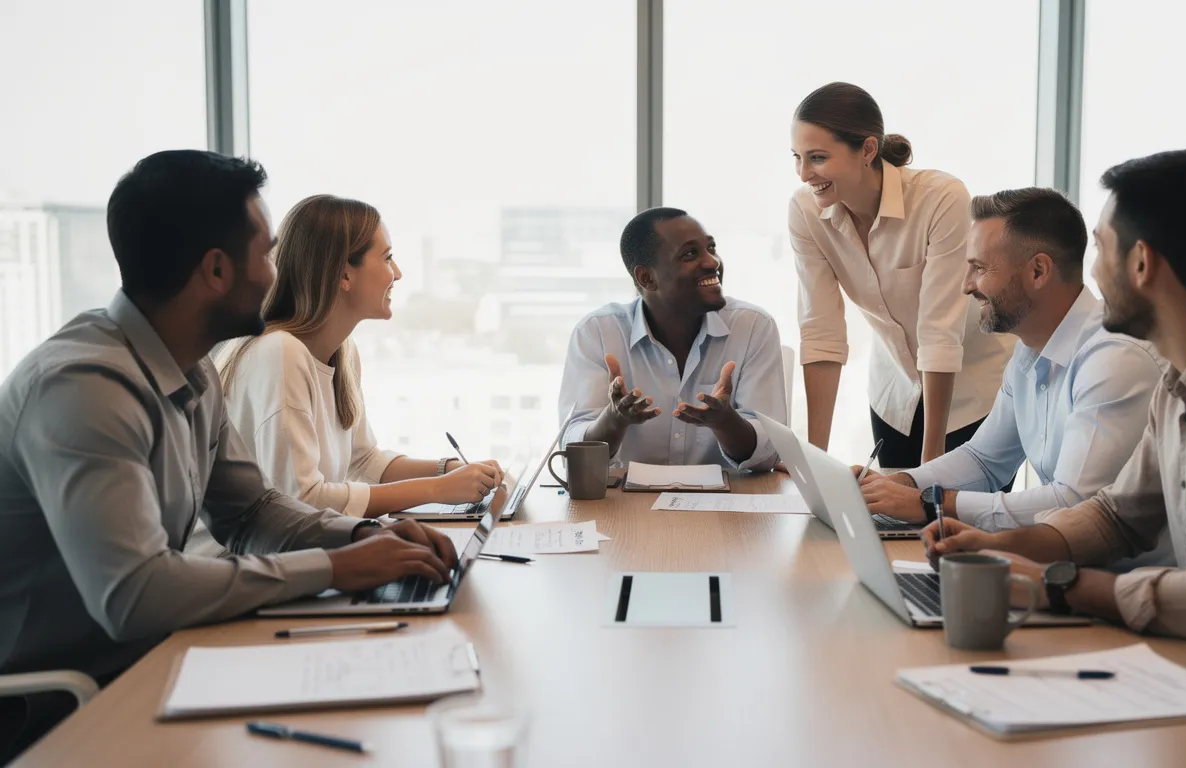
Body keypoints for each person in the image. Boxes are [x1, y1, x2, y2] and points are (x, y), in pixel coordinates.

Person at [0, 151, 461, 760]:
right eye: (267, 253)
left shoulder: (189, 369)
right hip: (65, 703)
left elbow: (251, 513)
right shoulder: (84, 387)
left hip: (159, 660)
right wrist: (337, 569)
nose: (277, 273)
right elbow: (135, 595)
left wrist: (363, 537)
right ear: (217, 269)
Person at [922, 150, 1186, 715]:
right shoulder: (1181, 380)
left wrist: (1059, 584)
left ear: (1141, 263)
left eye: (1099, 247)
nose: (1090, 272)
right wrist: (1002, 550)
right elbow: (1116, 516)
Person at [858, 188, 1162, 532]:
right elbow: (984, 460)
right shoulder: (1028, 350)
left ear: (1038, 272)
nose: (966, 286)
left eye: (979, 268)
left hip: (1119, 580)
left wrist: (933, 504)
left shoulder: (1114, 359)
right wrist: (899, 484)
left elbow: (1073, 503)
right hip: (1060, 564)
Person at [217, 195, 502, 518]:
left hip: (296, 551)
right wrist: (437, 490)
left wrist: (450, 470)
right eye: (387, 258)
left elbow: (364, 463)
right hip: (237, 561)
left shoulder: (342, 352)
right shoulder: (280, 353)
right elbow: (301, 500)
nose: (397, 273)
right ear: (344, 275)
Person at [789, 82, 1012, 467]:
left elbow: (939, 334)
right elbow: (821, 333)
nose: (804, 174)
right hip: (895, 393)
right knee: (891, 525)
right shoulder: (806, 211)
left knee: (951, 520)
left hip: (973, 394)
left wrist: (929, 469)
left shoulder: (940, 198)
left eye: (818, 158)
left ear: (868, 150)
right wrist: (813, 462)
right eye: (797, 157)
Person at [558, 207, 786, 470]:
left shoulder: (754, 326)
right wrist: (614, 418)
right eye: (690, 254)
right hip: (625, 508)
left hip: (726, 507)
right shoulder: (597, 332)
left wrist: (724, 421)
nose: (712, 262)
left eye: (711, 248)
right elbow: (571, 451)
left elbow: (769, 455)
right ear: (646, 277)